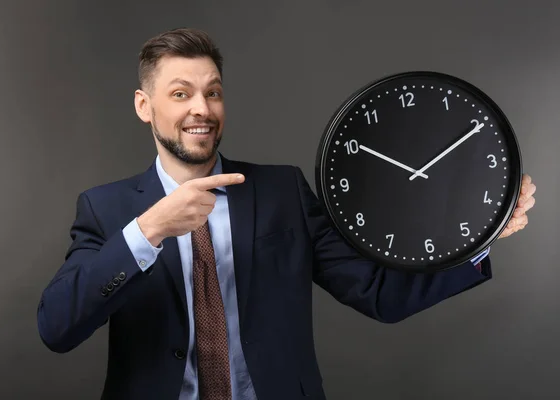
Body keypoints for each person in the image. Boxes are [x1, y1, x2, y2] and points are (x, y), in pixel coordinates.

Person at [37, 27, 537, 400]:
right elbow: (58, 327)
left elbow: (380, 295)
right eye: (180, 93)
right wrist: (150, 229)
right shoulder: (106, 209)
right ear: (145, 106)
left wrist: (481, 240)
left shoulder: (281, 191)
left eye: (212, 91)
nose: (202, 109)